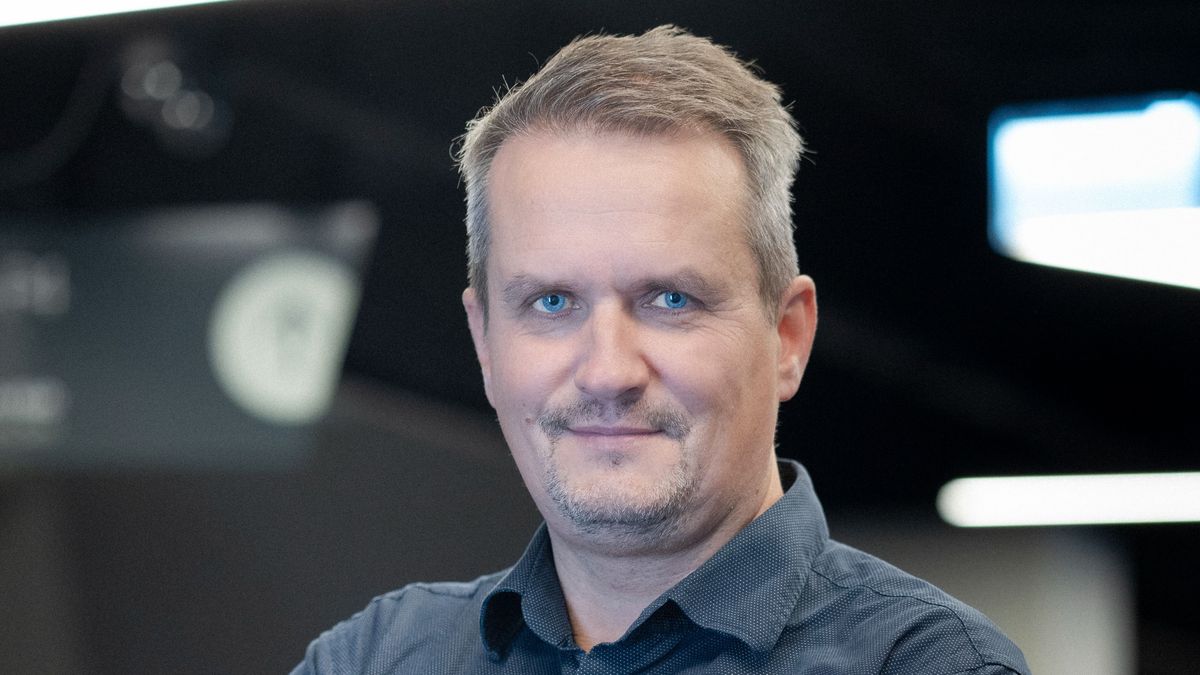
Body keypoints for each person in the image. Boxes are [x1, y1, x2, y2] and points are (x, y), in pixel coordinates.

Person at [293, 25, 1030, 674]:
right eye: (552, 303)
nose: (608, 371)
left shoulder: (931, 665)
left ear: (787, 337)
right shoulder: (373, 660)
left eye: (671, 300)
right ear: (484, 341)